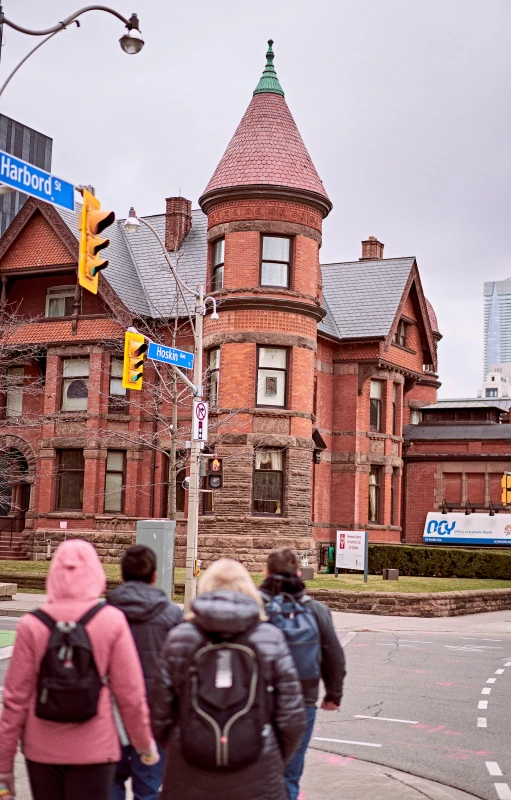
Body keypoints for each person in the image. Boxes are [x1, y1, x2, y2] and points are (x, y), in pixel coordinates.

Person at [0, 539, 159, 800]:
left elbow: (14, 701)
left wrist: (4, 768)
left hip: (42, 750)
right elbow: (130, 695)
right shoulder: (110, 621)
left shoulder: (32, 625)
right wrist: (144, 745)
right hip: (95, 750)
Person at [151, 557, 306, 800]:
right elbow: (292, 717)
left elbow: (160, 711)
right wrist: (271, 753)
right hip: (258, 771)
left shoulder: (181, 638)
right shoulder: (269, 638)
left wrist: (184, 745)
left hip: (189, 772)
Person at [260, 548, 346, 800]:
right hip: (302, 701)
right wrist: (333, 695)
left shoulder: (253, 605)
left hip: (259, 700)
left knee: (255, 770)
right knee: (290, 772)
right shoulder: (317, 611)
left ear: (267, 572)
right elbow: (334, 657)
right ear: (299, 574)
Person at [107, 544, 183, 800]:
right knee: (149, 789)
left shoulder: (104, 614)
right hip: (156, 714)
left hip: (111, 714)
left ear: (122, 575)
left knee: (111, 784)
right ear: (154, 576)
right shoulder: (172, 615)